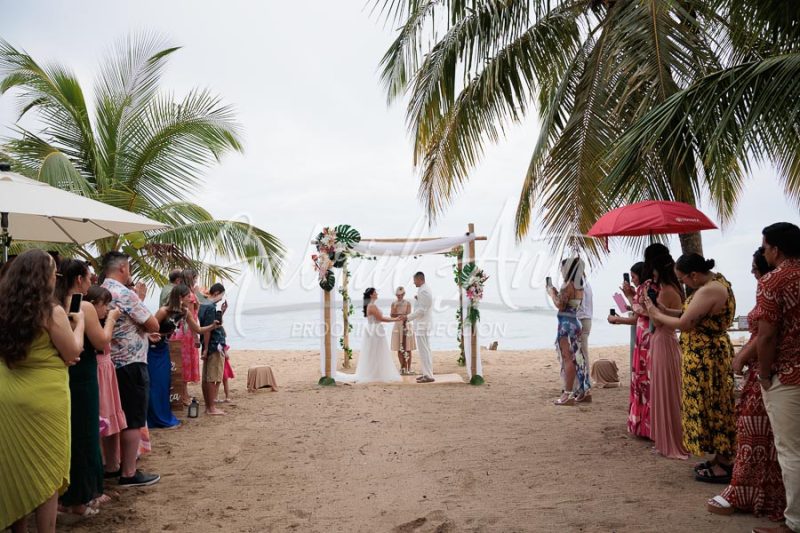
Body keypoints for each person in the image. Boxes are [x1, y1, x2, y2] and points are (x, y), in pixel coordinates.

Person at [0, 249, 84, 533]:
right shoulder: (51, 311)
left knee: (14, 468)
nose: (56, 277)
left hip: (8, 395)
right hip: (45, 398)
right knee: (47, 469)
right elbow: (72, 351)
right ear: (43, 277)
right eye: (53, 272)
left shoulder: (3, 307)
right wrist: (80, 323)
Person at [707, 248, 784, 521]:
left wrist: (743, 360)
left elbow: (764, 335)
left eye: (754, 265)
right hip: (768, 369)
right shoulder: (778, 285)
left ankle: (746, 491)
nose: (751, 270)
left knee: (753, 433)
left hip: (765, 370)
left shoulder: (772, 285)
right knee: (769, 439)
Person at [646, 253, 737, 483]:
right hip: (703, 355)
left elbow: (685, 324)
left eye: (683, 279)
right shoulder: (712, 285)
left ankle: (725, 462)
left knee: (714, 405)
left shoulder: (710, 290)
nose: (683, 283)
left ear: (694, 275)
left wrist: (656, 314)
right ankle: (719, 458)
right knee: (708, 405)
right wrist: (663, 309)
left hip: (708, 358)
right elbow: (690, 314)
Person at [55, 259, 120, 518]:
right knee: (85, 433)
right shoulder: (83, 306)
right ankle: (79, 499)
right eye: (90, 277)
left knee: (68, 434)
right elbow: (102, 341)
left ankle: (65, 494)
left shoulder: (53, 303)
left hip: (61, 373)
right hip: (82, 374)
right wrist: (112, 319)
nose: (92, 281)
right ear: (80, 279)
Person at [751, 222, 800, 533]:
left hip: (789, 374)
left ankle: (795, 522)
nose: (765, 252)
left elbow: (766, 337)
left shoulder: (774, 281)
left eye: (766, 247)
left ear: (776, 249)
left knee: (791, 450)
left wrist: (765, 375)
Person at [101, 251, 160, 488]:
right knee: (133, 418)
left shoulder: (101, 292)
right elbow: (153, 323)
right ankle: (129, 472)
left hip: (109, 364)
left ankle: (112, 466)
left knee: (114, 415)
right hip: (131, 363)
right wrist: (140, 299)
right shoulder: (125, 294)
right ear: (123, 268)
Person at [85, 286, 129, 482]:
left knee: (112, 419)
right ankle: (104, 465)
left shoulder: (98, 321)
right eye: (104, 305)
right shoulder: (89, 321)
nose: (107, 309)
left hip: (106, 369)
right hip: (98, 370)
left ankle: (112, 463)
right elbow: (103, 342)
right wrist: (111, 320)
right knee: (102, 418)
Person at [647, 254, 688, 460]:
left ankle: (670, 440)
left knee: (667, 391)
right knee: (667, 390)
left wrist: (646, 306)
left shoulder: (667, 291)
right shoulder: (672, 289)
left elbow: (659, 322)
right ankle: (667, 439)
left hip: (664, 341)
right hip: (665, 342)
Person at [166, 284, 221, 416]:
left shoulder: (185, 312)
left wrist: (212, 326)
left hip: (175, 342)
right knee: (169, 376)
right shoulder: (165, 310)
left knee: (177, 373)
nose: (190, 299)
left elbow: (198, 329)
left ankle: (177, 401)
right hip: (166, 345)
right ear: (180, 297)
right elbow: (155, 327)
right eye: (187, 297)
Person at [338, 288, 403, 383]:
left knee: (376, 352)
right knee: (377, 352)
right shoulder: (372, 306)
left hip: (373, 330)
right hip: (375, 331)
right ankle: (375, 373)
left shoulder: (371, 305)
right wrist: (396, 319)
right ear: (371, 295)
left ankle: (376, 372)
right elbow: (381, 318)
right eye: (375, 292)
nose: (377, 293)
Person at [548, 257, 590, 405]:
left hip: (566, 324)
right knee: (578, 357)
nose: (561, 270)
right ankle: (584, 390)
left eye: (562, 267)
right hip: (575, 321)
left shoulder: (567, 286)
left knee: (568, 358)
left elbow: (560, 304)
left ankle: (568, 394)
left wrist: (551, 293)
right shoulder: (580, 286)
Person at [173, 268, 200, 405]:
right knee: (185, 363)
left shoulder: (183, 291)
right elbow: (189, 316)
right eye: (195, 278)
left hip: (183, 330)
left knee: (183, 362)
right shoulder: (189, 294)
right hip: (187, 331)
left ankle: (185, 393)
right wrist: (196, 336)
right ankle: (183, 395)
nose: (196, 280)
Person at [198, 283, 227, 413]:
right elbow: (208, 329)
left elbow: (211, 325)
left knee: (206, 377)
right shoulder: (210, 307)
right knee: (213, 377)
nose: (221, 298)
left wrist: (222, 312)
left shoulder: (203, 305)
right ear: (216, 293)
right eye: (221, 295)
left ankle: (209, 406)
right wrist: (206, 348)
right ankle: (211, 407)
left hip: (209, 343)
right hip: (214, 344)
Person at [406, 272, 435, 383]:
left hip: (422, 325)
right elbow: (424, 305)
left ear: (420, 279)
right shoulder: (423, 289)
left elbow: (422, 311)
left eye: (415, 280)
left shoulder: (424, 291)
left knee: (424, 350)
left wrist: (408, 317)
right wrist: (418, 299)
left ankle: (428, 375)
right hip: (423, 324)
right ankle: (427, 373)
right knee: (425, 350)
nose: (413, 283)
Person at [390, 286, 416, 374]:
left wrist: (400, 315)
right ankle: (402, 367)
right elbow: (392, 315)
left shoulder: (408, 303)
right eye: (398, 295)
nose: (399, 296)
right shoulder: (394, 303)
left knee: (408, 348)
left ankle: (408, 368)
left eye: (401, 295)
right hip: (397, 325)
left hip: (406, 325)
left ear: (404, 294)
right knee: (399, 347)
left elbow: (408, 314)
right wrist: (396, 310)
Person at [577, 279, 593, 372]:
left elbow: (580, 305)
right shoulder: (586, 282)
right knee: (583, 351)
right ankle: (585, 378)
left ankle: (584, 378)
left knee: (581, 351)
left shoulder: (579, 283)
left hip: (581, 319)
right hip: (587, 318)